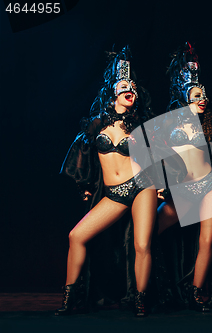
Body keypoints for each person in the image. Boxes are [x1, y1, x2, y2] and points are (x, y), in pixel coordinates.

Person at [58, 46, 157, 317]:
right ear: (112, 90)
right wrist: (85, 186)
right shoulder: (97, 124)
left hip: (141, 186)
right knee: (76, 236)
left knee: (141, 245)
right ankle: (70, 299)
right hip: (114, 194)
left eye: (134, 88)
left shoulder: (139, 124)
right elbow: (81, 155)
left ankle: (140, 299)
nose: (130, 90)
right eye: (124, 85)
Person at [155, 42, 212, 312]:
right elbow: (155, 153)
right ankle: (161, 287)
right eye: (196, 94)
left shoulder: (208, 122)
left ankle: (197, 291)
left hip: (210, 185)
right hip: (182, 191)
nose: (202, 99)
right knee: (150, 232)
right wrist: (160, 185)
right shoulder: (168, 121)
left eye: (204, 95)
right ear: (184, 95)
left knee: (207, 240)